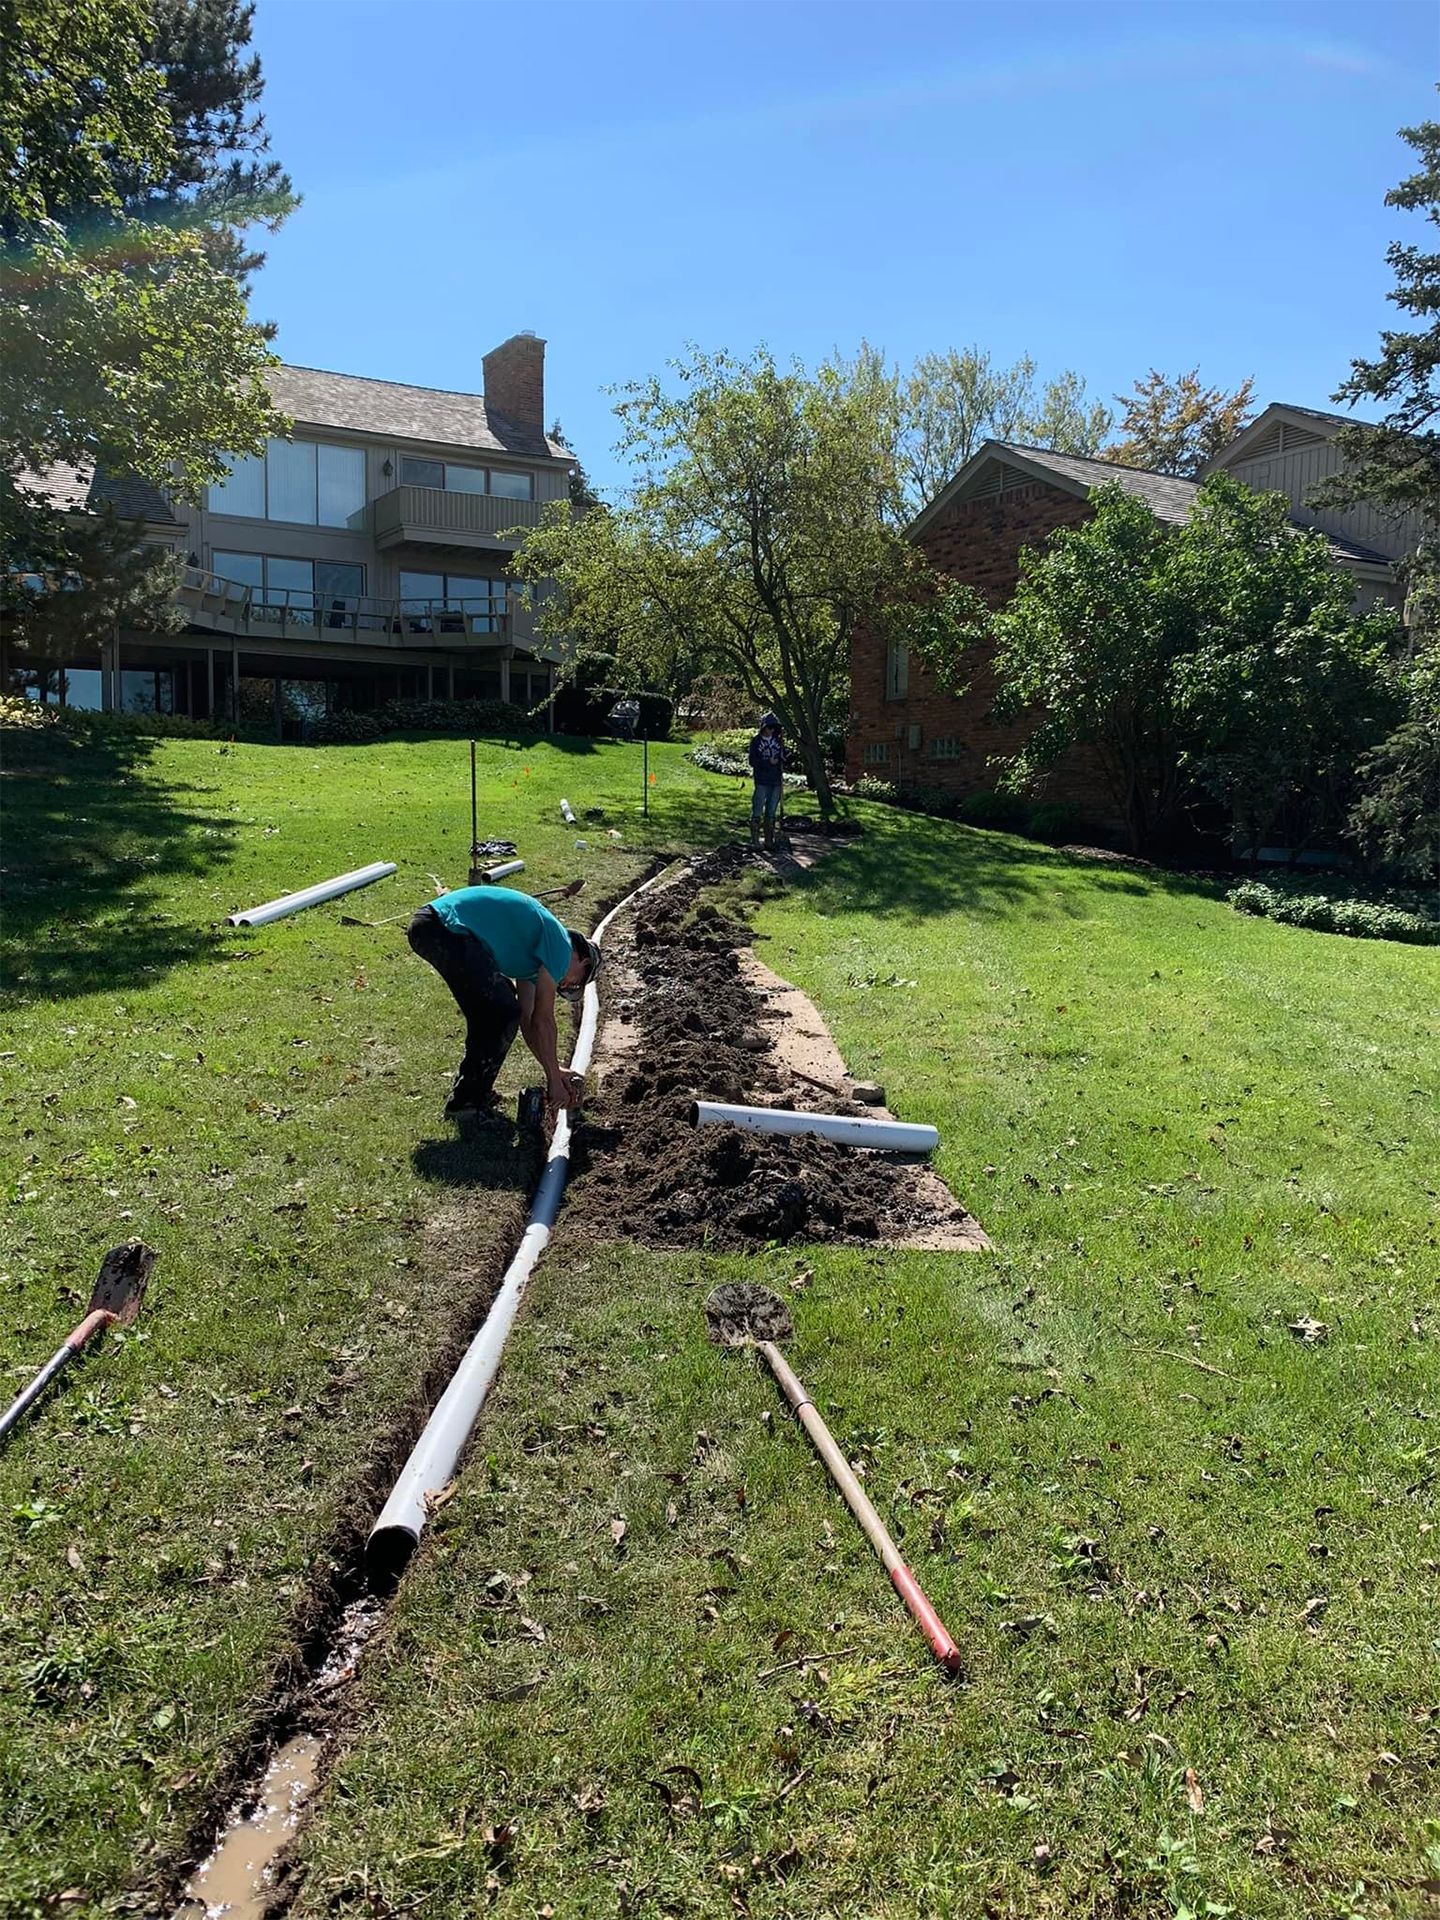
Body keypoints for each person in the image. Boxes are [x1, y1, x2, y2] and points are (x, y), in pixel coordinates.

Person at [406, 884, 601, 1118]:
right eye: (574, 982)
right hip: (443, 927)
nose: (566, 985)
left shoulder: (534, 960)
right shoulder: (560, 948)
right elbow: (544, 1020)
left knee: (500, 1010)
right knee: (499, 1012)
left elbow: (527, 1019)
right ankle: (467, 1103)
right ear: (583, 962)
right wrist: (554, 1082)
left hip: (436, 926)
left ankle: (473, 1093)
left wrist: (554, 1070)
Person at [747, 712, 785, 849]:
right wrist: (768, 762)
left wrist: (782, 758)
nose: (772, 731)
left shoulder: (778, 741)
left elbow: (782, 757)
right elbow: (752, 760)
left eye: (774, 729)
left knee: (771, 811)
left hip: (776, 780)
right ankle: (755, 841)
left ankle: (769, 840)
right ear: (763, 727)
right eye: (769, 728)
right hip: (762, 780)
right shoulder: (756, 741)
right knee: (758, 808)